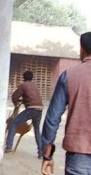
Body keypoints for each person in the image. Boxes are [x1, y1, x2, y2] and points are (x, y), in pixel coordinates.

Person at [41, 32, 91, 175]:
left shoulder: (69, 75)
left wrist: (47, 154)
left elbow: (52, 119)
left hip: (78, 154)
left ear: (82, 49)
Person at [5, 70, 43, 157]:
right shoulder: (34, 86)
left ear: (23, 77)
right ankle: (41, 153)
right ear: (32, 78)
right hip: (39, 109)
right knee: (37, 130)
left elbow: (15, 97)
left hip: (31, 109)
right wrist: (23, 100)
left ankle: (9, 146)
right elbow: (32, 98)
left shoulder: (23, 85)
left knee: (13, 123)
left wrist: (16, 103)